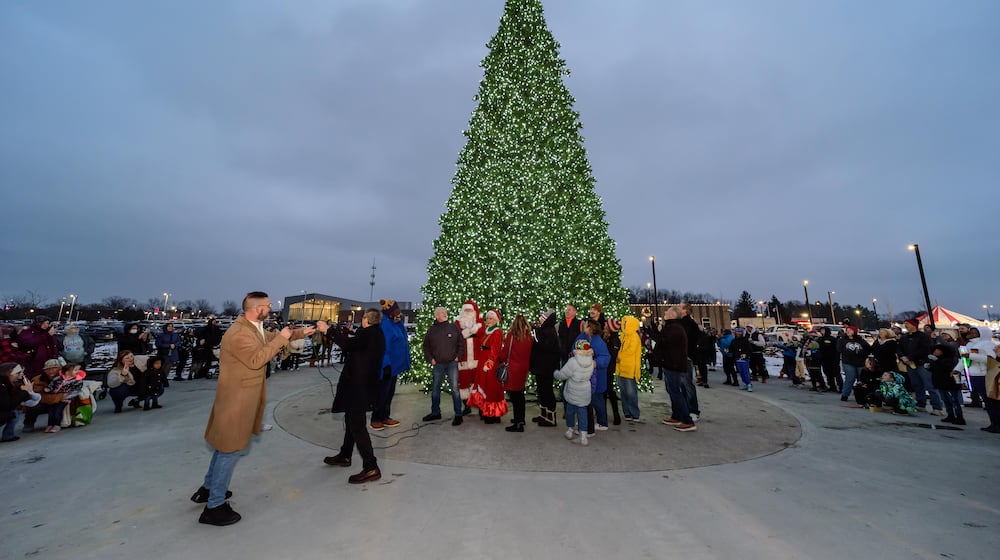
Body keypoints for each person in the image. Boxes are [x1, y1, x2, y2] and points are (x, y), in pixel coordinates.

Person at [194, 292, 313, 526]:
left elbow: (273, 337)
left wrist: (301, 333)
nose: (270, 308)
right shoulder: (239, 333)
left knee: (223, 446)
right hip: (237, 400)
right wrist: (282, 339)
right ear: (257, 309)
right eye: (267, 305)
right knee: (230, 450)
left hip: (243, 397)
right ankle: (214, 507)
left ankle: (208, 489)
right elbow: (256, 360)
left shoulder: (254, 328)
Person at [315, 309, 383, 485]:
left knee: (357, 426)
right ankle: (345, 454)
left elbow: (347, 344)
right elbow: (354, 343)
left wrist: (328, 330)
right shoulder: (375, 334)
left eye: (363, 316)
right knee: (351, 420)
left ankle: (371, 467)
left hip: (358, 387)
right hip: (363, 386)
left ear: (366, 320)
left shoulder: (368, 334)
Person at [647, 307, 696, 432]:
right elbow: (662, 339)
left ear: (673, 315)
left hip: (674, 364)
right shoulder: (671, 327)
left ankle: (687, 420)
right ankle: (676, 415)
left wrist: (652, 332)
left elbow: (662, 341)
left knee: (675, 391)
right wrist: (655, 330)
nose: (665, 313)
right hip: (670, 363)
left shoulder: (675, 328)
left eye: (667, 312)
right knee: (672, 390)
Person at [421, 306, 465, 426]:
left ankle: (458, 415)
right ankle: (435, 412)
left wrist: (458, 357)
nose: (445, 314)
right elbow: (426, 346)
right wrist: (430, 359)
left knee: (455, 389)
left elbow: (461, 343)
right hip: (438, 365)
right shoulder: (431, 330)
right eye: (442, 313)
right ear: (437, 316)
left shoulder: (453, 327)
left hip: (452, 364)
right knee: (435, 389)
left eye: (445, 312)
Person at [371, 299, 410, 430]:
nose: (398, 313)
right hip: (387, 367)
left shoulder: (396, 323)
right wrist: (386, 364)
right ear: (390, 312)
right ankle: (376, 418)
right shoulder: (386, 325)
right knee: (382, 393)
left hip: (395, 367)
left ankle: (385, 416)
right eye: (395, 311)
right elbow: (384, 347)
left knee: (389, 393)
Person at [467, 309, 507, 424]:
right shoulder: (487, 330)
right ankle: (485, 411)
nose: (488, 320)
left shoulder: (497, 332)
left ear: (496, 320)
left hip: (490, 364)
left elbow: (495, 350)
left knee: (491, 388)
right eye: (488, 318)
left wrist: (489, 363)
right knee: (483, 386)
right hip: (482, 361)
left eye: (491, 319)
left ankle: (493, 414)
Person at [898, 319, 944, 415]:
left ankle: (937, 407)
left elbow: (925, 349)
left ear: (914, 325)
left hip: (922, 363)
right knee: (916, 384)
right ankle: (921, 404)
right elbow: (899, 349)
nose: (906, 325)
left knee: (929, 385)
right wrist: (902, 357)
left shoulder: (923, 336)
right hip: (910, 364)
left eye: (907, 324)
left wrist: (910, 357)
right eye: (905, 324)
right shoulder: (904, 337)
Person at [554, 339, 595, 446]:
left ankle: (570, 430)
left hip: (573, 389)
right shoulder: (591, 361)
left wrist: (556, 373)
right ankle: (583, 437)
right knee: (583, 413)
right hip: (585, 390)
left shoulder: (573, 361)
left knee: (570, 411)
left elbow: (564, 374)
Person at [576, 319, 610, 433]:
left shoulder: (598, 342)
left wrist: (596, 363)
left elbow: (605, 357)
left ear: (590, 328)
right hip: (585, 376)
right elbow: (574, 348)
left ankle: (602, 422)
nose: (584, 326)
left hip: (596, 377)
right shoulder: (582, 337)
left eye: (586, 325)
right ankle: (585, 421)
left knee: (597, 400)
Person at [501, 314, 533, 432]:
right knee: (520, 395)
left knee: (515, 397)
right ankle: (521, 419)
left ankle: (518, 423)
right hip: (524, 368)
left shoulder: (511, 336)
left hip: (513, 369)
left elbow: (505, 353)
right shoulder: (529, 337)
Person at [529, 310, 560, 427]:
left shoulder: (549, 331)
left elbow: (543, 345)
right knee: (541, 391)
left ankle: (551, 418)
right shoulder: (544, 330)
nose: (540, 320)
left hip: (547, 368)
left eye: (542, 319)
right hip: (541, 367)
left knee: (547, 392)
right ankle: (544, 415)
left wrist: (535, 330)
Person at [455, 300, 485, 412]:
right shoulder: (457, 322)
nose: (468, 312)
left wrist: (467, 333)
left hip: (477, 358)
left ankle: (481, 408)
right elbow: (457, 335)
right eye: (466, 310)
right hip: (463, 359)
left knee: (478, 384)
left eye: (470, 310)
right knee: (464, 384)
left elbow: (481, 333)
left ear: (474, 311)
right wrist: (472, 331)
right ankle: (466, 406)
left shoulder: (480, 322)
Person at [23, 360, 67, 431]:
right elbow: (38, 396)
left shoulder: (66, 378)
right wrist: (60, 397)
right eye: (48, 369)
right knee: (34, 405)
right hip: (44, 403)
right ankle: (28, 423)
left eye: (54, 368)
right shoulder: (37, 380)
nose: (51, 371)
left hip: (60, 401)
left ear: (60, 369)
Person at [926, 343, 964, 424]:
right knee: (946, 400)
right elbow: (936, 369)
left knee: (954, 400)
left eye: (938, 350)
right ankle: (950, 415)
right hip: (941, 382)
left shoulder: (950, 359)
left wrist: (937, 361)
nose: (935, 352)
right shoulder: (937, 360)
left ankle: (959, 417)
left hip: (950, 382)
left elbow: (948, 367)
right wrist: (929, 367)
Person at [616, 315, 642, 422]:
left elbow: (630, 351)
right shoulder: (623, 335)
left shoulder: (634, 337)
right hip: (621, 368)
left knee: (631, 393)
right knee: (623, 392)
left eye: (626, 323)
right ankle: (626, 412)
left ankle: (634, 413)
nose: (624, 324)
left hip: (630, 369)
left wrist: (619, 356)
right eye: (624, 322)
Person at [965, 326, 996, 411]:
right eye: (971, 332)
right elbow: (964, 359)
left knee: (988, 398)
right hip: (972, 373)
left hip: (984, 374)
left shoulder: (988, 344)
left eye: (974, 333)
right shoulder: (969, 344)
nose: (972, 334)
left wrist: (971, 356)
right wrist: (957, 369)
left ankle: (994, 415)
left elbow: (990, 359)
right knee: (981, 396)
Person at [1, 363, 35, 442]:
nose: (20, 375)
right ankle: (8, 435)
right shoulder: (2, 385)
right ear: (8, 373)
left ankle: (8, 435)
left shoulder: (7, 383)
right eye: (18, 373)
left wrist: (23, 390)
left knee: (14, 412)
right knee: (13, 412)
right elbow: (8, 404)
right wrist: (24, 391)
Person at [837, 326, 871, 402]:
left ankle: (862, 395)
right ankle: (845, 395)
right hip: (848, 362)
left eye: (850, 330)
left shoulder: (860, 340)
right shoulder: (842, 340)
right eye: (847, 330)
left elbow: (868, 349)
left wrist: (862, 354)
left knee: (861, 379)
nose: (848, 331)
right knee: (850, 378)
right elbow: (839, 349)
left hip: (860, 362)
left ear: (854, 331)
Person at [603, 317, 623, 425]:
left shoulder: (614, 339)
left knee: (609, 391)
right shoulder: (607, 337)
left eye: (607, 324)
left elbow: (612, 355)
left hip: (608, 369)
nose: (605, 325)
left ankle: (616, 414)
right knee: (605, 391)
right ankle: (604, 414)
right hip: (606, 368)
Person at [817, 327, 842, 394]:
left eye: (823, 330)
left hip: (833, 359)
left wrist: (837, 359)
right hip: (824, 359)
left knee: (837, 374)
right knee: (828, 373)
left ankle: (841, 387)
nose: (822, 331)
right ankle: (832, 386)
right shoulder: (820, 339)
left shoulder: (832, 339)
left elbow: (837, 350)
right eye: (821, 330)